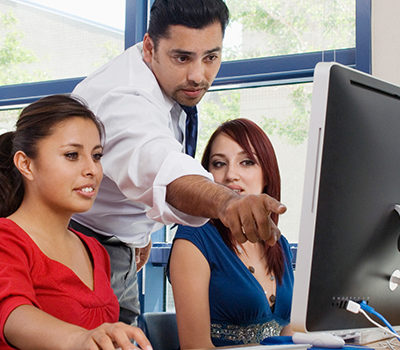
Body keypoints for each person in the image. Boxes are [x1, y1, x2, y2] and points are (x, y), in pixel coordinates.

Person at [70, 0, 286, 325]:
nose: (198, 75)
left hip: (121, 244)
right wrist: (227, 202)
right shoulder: (124, 98)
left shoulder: (166, 80)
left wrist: (139, 234)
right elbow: (160, 166)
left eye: (211, 57)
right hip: (81, 247)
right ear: (148, 48)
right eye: (182, 57)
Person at [0, 95, 151, 350]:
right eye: (72, 155)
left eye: (97, 155)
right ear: (25, 164)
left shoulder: (95, 250)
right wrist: (78, 338)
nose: (92, 169)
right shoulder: (7, 239)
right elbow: (13, 313)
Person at [168, 118, 294, 349]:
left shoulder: (280, 245)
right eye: (218, 164)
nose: (230, 175)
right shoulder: (194, 240)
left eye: (246, 162)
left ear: (267, 174)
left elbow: (289, 336)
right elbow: (195, 348)